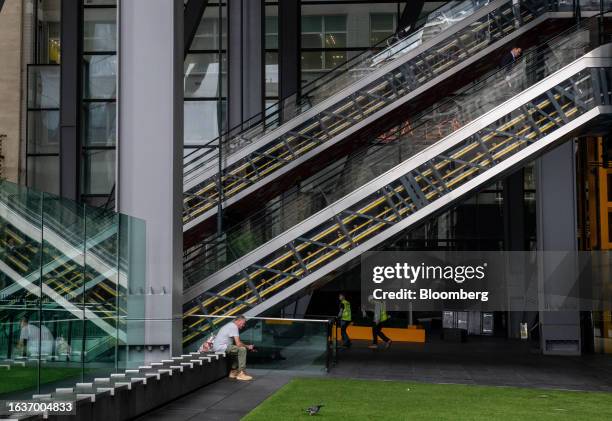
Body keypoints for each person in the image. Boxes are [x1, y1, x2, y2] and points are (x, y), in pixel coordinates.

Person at [212, 315, 255, 381]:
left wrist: (247, 346)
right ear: (238, 321)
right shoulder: (234, 327)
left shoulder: (230, 325)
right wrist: (247, 346)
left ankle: (233, 372)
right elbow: (238, 343)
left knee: (237, 351)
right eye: (243, 323)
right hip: (221, 347)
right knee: (242, 350)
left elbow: (237, 343)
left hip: (218, 347)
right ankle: (241, 373)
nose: (243, 325)